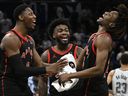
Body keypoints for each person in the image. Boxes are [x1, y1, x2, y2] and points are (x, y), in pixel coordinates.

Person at [59, 4, 128, 96]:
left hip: (96, 89)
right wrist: (59, 68)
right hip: (86, 86)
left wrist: (69, 76)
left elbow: (99, 69)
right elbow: (79, 64)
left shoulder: (104, 39)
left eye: (110, 14)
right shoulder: (94, 36)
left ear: (112, 24)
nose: (106, 12)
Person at [0, 4, 67, 96]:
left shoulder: (30, 40)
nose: (35, 16)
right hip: (8, 85)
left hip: (23, 85)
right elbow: (19, 71)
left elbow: (39, 64)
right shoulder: (11, 38)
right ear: (21, 17)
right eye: (30, 14)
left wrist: (57, 66)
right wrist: (48, 69)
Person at [38, 18, 86, 96]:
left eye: (66, 30)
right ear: (53, 35)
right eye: (60, 31)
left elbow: (86, 73)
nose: (64, 33)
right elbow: (43, 81)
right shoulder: (46, 55)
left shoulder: (78, 51)